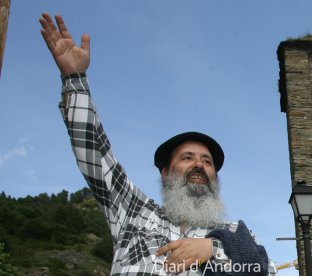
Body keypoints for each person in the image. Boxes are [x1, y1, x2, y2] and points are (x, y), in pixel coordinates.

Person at [39, 13, 277, 276]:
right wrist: (75, 80)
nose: (199, 164)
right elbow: (97, 155)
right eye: (187, 157)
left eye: (207, 161)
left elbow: (267, 270)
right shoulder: (133, 212)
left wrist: (214, 248)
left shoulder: (235, 233)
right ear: (165, 173)